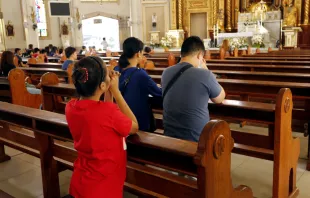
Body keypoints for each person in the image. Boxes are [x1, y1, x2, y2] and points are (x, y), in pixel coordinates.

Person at [65, 56, 138, 198]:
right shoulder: (109, 113)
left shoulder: (71, 107)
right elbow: (134, 126)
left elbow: (102, 111)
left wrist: (108, 90)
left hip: (81, 181)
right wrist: (116, 91)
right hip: (103, 187)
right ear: (102, 86)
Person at [161, 36, 225, 142]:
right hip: (196, 139)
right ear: (200, 55)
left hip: (169, 136)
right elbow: (219, 98)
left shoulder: (166, 72)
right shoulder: (205, 74)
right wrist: (206, 69)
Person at [114, 37, 162, 132]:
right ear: (138, 54)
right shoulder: (140, 74)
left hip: (120, 121)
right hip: (138, 123)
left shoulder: (116, 70)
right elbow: (159, 93)